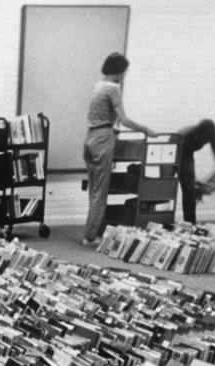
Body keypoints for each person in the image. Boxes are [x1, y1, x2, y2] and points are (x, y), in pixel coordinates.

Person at [81, 52, 154, 247]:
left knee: (94, 190)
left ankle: (90, 230)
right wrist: (145, 129)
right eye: (124, 72)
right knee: (100, 192)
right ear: (120, 71)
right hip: (104, 138)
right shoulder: (113, 88)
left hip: (90, 137)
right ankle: (90, 236)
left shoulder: (98, 86)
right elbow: (124, 120)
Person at [176, 118, 215, 225]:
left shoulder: (210, 135)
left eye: (208, 139)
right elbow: (179, 157)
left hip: (188, 155)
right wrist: (191, 179)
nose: (206, 142)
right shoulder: (188, 134)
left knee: (189, 192)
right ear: (199, 132)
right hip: (175, 151)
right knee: (173, 187)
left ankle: (190, 222)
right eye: (205, 139)